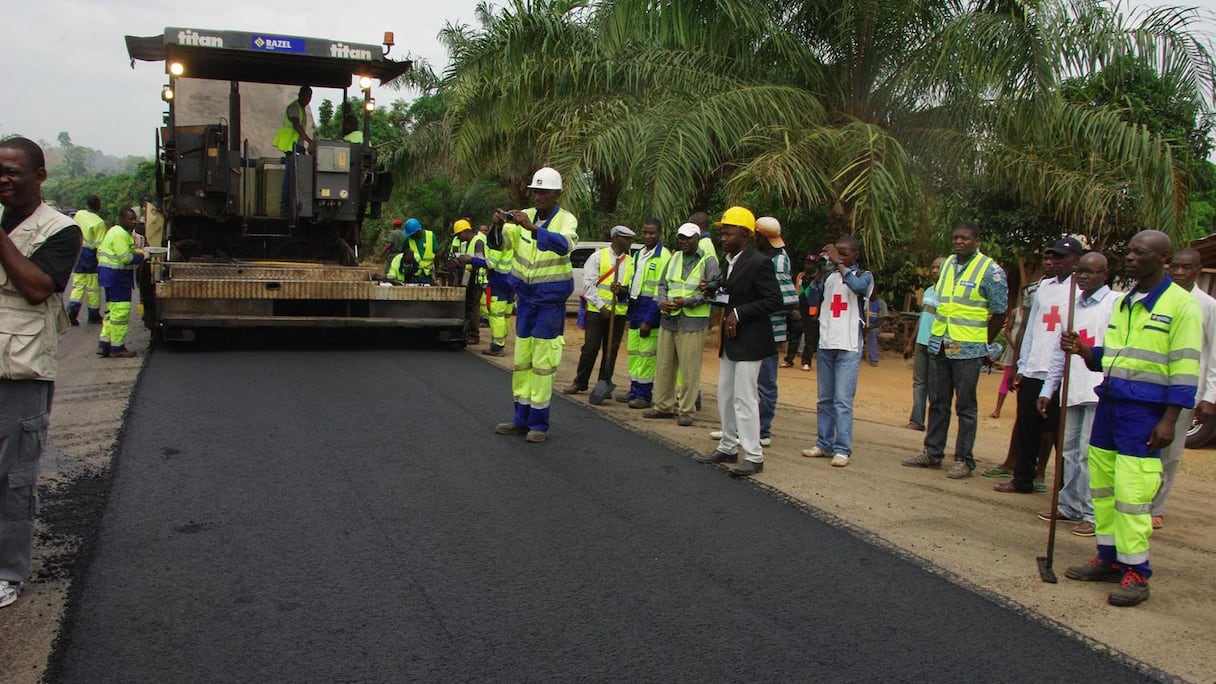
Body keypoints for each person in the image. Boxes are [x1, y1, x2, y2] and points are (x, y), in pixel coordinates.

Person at [1061, 230, 1202, 607]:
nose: (1130, 257)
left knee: (1132, 493)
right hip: (1111, 404)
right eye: (1129, 251)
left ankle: (1137, 573)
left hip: (1146, 413)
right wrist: (1086, 352)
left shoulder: (1180, 305)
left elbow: (1186, 370)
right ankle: (1108, 557)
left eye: (1140, 253)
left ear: (1164, 257)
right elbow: (1119, 355)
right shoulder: (1126, 301)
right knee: (1103, 486)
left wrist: (1170, 419)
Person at [0, 137, 84, 608]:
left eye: (13, 171)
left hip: (21, 367)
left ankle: (7, 571)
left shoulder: (61, 230)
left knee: (13, 474)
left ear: (39, 176)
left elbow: (37, 288)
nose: (4, 179)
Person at [902, 222, 1007, 478]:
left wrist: (983, 340)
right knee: (937, 401)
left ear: (977, 240)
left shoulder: (990, 270)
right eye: (955, 238)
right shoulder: (947, 264)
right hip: (940, 344)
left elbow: (1000, 310)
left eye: (965, 238)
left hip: (968, 348)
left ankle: (964, 460)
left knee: (966, 406)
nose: (959, 242)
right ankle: (933, 452)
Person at [490, 167, 579, 443]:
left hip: (550, 303)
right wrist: (496, 225)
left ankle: (539, 423)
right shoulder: (522, 216)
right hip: (526, 300)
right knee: (522, 361)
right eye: (535, 191)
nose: (538, 196)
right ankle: (520, 418)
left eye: (543, 192)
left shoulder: (566, 220)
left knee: (543, 363)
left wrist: (533, 230)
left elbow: (565, 246)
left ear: (556, 194)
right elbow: (499, 245)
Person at [694, 206, 783, 476]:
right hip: (731, 341)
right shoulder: (730, 261)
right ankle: (728, 446)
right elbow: (733, 294)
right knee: (726, 395)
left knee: (745, 399)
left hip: (752, 342)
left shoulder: (759, 262)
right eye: (722, 233)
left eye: (729, 233)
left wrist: (738, 313)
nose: (723, 238)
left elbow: (773, 301)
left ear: (745, 234)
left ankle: (754, 456)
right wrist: (714, 290)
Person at [1035, 251, 1117, 537]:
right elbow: (1060, 352)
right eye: (1080, 271)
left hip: (1097, 391)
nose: (1083, 276)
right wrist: (1049, 388)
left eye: (1091, 272)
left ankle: (1092, 513)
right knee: (1069, 451)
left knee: (1089, 454)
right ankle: (1069, 505)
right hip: (1071, 389)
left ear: (1104, 275)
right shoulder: (1071, 306)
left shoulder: (1113, 305)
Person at [996, 237, 1082, 494]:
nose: (1051, 262)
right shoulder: (1043, 287)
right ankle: (1022, 479)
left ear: (1075, 260)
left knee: (1060, 433)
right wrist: (1021, 365)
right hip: (1035, 367)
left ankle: (1065, 489)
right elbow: (1031, 327)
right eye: (1049, 257)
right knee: (1027, 426)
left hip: (1063, 372)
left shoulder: (1081, 291)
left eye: (1059, 258)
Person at [1152, 247, 1216, 529]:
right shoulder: (1158, 297)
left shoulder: (1208, 306)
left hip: (1187, 389)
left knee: (1170, 451)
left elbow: (1213, 354)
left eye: (1186, 268)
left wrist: (1209, 397)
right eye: (1175, 267)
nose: (1179, 272)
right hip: (1153, 385)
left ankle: (1157, 506)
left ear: (1197, 271)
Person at [800, 235, 874, 467]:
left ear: (856, 256)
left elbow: (859, 288)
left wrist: (839, 263)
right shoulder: (830, 277)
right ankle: (823, 443)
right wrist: (821, 271)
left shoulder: (863, 276)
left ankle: (842, 448)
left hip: (849, 345)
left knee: (842, 400)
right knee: (825, 399)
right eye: (836, 253)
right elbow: (811, 296)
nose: (838, 257)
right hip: (826, 344)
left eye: (844, 253)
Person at [644, 223, 719, 426]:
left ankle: (686, 410)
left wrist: (686, 302)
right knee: (664, 366)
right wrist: (662, 302)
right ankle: (663, 406)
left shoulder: (708, 261)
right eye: (681, 238)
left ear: (697, 238)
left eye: (688, 238)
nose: (685, 242)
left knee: (689, 369)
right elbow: (662, 285)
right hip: (669, 318)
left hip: (693, 322)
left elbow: (712, 293)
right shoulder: (674, 258)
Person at [564, 226, 635, 395]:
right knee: (591, 347)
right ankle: (580, 382)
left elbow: (633, 288)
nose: (630, 242)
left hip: (618, 314)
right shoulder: (597, 257)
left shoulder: (631, 262)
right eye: (627, 239)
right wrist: (602, 307)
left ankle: (604, 383)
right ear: (616, 238)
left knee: (611, 350)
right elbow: (589, 286)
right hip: (597, 311)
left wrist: (623, 290)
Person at [754, 217, 799, 446]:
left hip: (770, 330)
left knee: (766, 383)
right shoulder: (764, 257)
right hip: (755, 329)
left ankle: (763, 430)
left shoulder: (779, 261)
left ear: (760, 236)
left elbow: (787, 299)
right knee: (751, 382)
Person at [617, 218, 670, 408]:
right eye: (645, 232)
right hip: (635, 307)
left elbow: (660, 291)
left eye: (652, 233)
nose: (648, 236)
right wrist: (623, 292)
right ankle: (634, 388)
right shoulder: (639, 254)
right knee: (633, 352)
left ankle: (644, 394)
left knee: (646, 354)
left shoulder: (664, 256)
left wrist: (650, 319)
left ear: (659, 234)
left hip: (650, 310)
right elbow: (635, 283)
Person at [97, 207, 145, 358]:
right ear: (122, 219)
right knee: (121, 312)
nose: (135, 221)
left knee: (111, 312)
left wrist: (137, 252)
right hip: (117, 277)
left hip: (111, 276)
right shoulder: (120, 234)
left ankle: (104, 343)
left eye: (135, 218)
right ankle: (117, 347)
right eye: (131, 219)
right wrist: (143, 256)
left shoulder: (117, 232)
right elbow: (125, 258)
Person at [904, 256, 944, 431]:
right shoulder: (928, 291)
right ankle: (917, 420)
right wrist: (911, 342)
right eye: (933, 267)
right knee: (919, 382)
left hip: (937, 343)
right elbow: (923, 318)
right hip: (922, 342)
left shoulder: (949, 293)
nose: (935, 270)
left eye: (939, 267)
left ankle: (935, 424)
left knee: (936, 386)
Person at [272, 85, 315, 216]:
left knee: (296, 178)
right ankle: (284, 208)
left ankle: (293, 206)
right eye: (306, 96)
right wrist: (310, 141)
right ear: (300, 95)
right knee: (289, 177)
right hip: (290, 147)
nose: (308, 99)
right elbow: (296, 126)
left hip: (297, 147)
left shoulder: (301, 109)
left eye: (310, 97)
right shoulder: (294, 108)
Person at [67, 195, 106, 325]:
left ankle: (72, 310)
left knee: (78, 283)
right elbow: (99, 246)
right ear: (98, 205)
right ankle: (93, 314)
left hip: (78, 251)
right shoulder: (99, 222)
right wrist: (101, 263)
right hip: (90, 254)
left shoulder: (79, 214)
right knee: (93, 286)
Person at [785, 255, 823, 370]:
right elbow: (797, 289)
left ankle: (806, 361)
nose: (808, 266)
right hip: (799, 308)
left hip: (811, 310)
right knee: (794, 335)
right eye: (806, 263)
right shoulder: (800, 276)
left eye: (811, 263)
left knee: (809, 338)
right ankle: (789, 359)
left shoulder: (818, 277)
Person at [387, 218, 440, 284]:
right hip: (413, 274)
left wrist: (436, 270)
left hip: (427, 274)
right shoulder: (408, 240)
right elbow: (404, 256)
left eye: (411, 234)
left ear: (417, 232)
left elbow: (437, 254)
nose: (410, 236)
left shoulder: (430, 236)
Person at [863, 287, 888, 366]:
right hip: (864, 325)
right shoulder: (864, 302)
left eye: (873, 291)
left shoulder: (881, 303)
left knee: (872, 333)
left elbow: (882, 319)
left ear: (876, 292)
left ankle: (874, 358)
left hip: (875, 327)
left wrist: (871, 327)